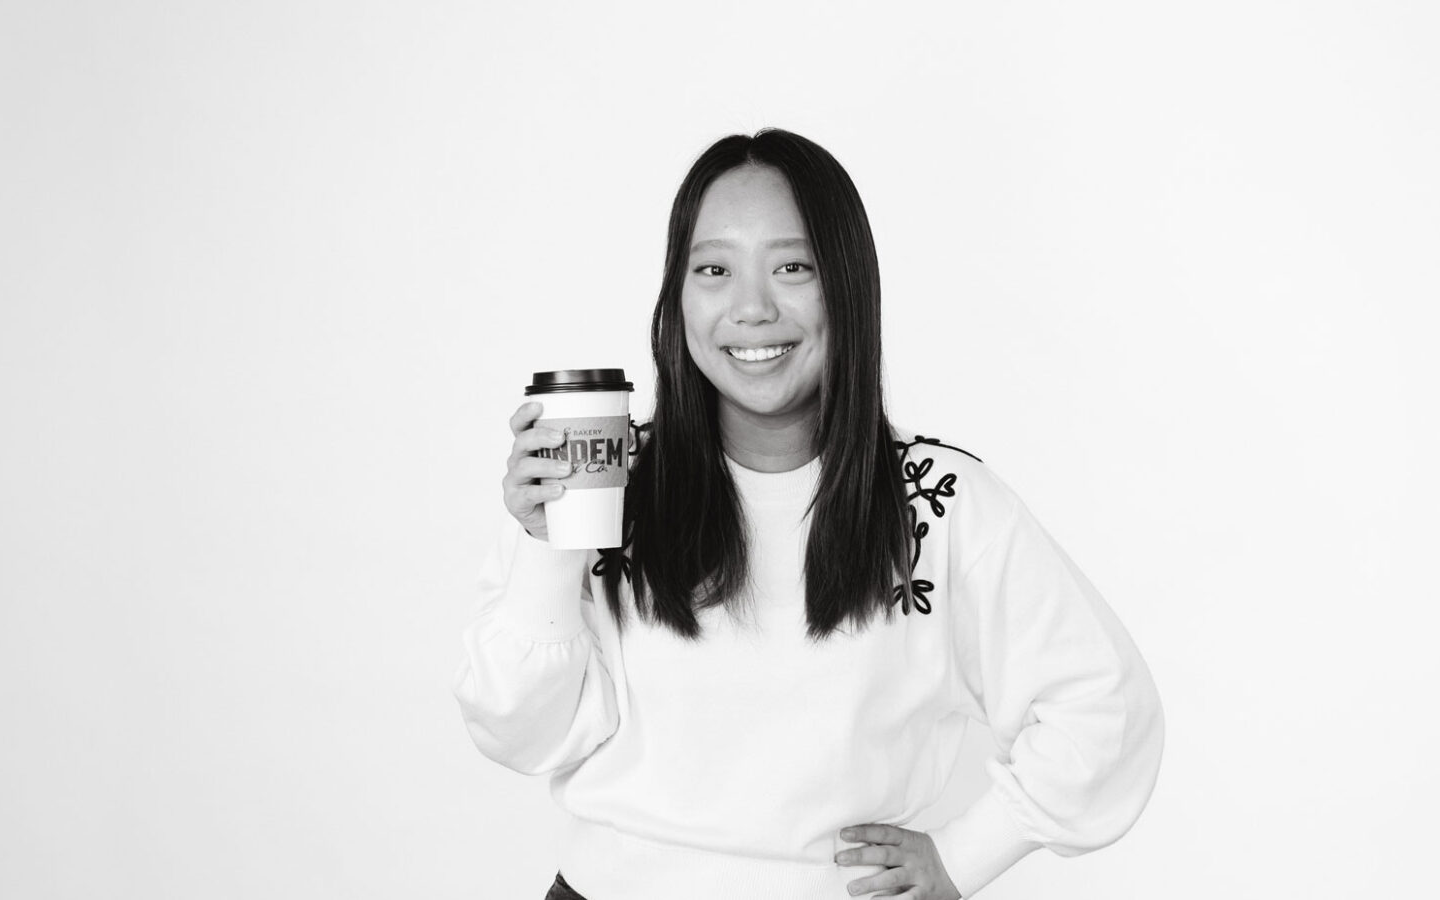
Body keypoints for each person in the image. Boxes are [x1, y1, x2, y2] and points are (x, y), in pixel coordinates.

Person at [452, 128, 1165, 899]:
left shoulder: (936, 500)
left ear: (846, 286)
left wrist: (965, 856)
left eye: (792, 268)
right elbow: (520, 733)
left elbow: (1104, 705)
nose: (751, 309)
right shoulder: (604, 477)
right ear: (677, 295)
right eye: (713, 270)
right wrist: (544, 543)